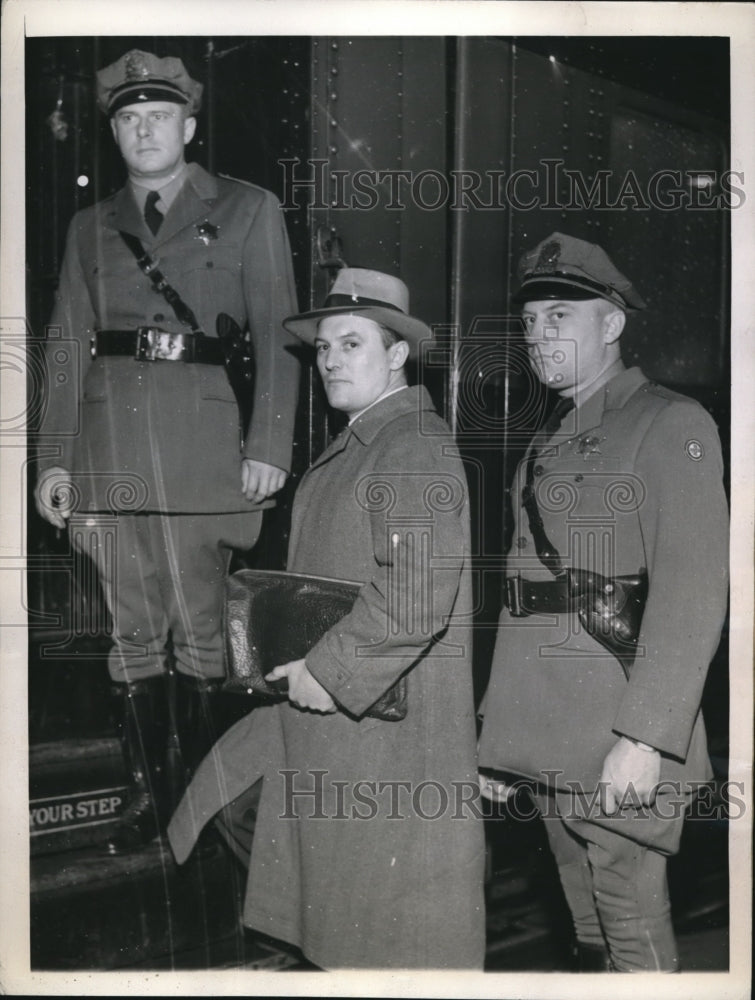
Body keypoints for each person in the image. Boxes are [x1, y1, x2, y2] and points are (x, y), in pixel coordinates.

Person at [168, 268, 486, 969]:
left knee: (382, 936)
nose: (331, 360)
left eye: (351, 343)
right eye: (322, 349)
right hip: (334, 723)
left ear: (397, 353)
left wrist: (329, 670)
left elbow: (415, 596)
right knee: (232, 813)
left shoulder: (412, 447)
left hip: (379, 736)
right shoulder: (358, 444)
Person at [33, 49, 300, 854]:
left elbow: (281, 336)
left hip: (203, 452)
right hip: (109, 452)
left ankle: (203, 801)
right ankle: (149, 796)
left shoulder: (250, 210)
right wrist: (52, 461)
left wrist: (268, 445)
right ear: (114, 134)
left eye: (159, 116)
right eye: (128, 119)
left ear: (188, 124)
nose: (144, 130)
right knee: (131, 634)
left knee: (203, 635)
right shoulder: (90, 226)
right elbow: (64, 345)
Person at [477, 232, 729, 972]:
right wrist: (501, 737)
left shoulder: (668, 422)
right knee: (580, 910)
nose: (536, 336)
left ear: (611, 324)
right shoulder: (546, 439)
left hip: (617, 726)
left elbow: (691, 591)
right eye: (529, 323)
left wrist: (647, 738)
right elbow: (528, 598)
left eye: (558, 316)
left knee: (625, 909)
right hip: (548, 728)